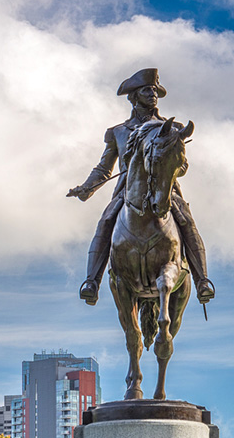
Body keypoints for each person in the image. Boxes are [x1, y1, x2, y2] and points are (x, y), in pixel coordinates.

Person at [67, 68, 216, 306]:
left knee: (187, 222)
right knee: (106, 222)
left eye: (155, 90)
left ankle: (202, 281)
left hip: (164, 189)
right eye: (148, 90)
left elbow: (183, 165)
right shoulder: (117, 132)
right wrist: (87, 187)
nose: (153, 94)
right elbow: (104, 168)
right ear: (134, 96)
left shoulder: (172, 128)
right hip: (128, 191)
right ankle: (91, 282)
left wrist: (170, 168)